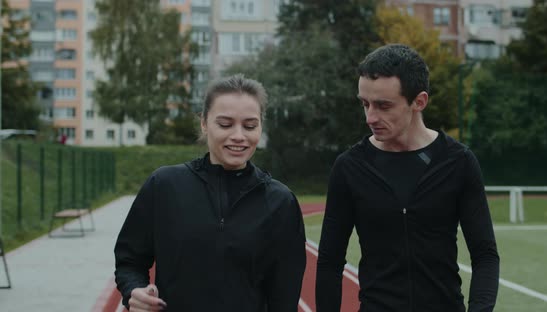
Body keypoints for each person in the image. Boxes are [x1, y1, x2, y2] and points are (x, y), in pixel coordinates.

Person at [315, 44, 499, 311]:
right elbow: (330, 261)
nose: (370, 117)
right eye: (365, 104)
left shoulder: (458, 162)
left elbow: (485, 255)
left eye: (383, 105)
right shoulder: (349, 167)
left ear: (419, 102)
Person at [114, 74, 306, 311]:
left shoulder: (281, 202)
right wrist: (134, 290)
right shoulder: (164, 185)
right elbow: (129, 261)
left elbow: (284, 297)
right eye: (225, 124)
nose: (238, 136)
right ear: (204, 123)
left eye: (250, 125)